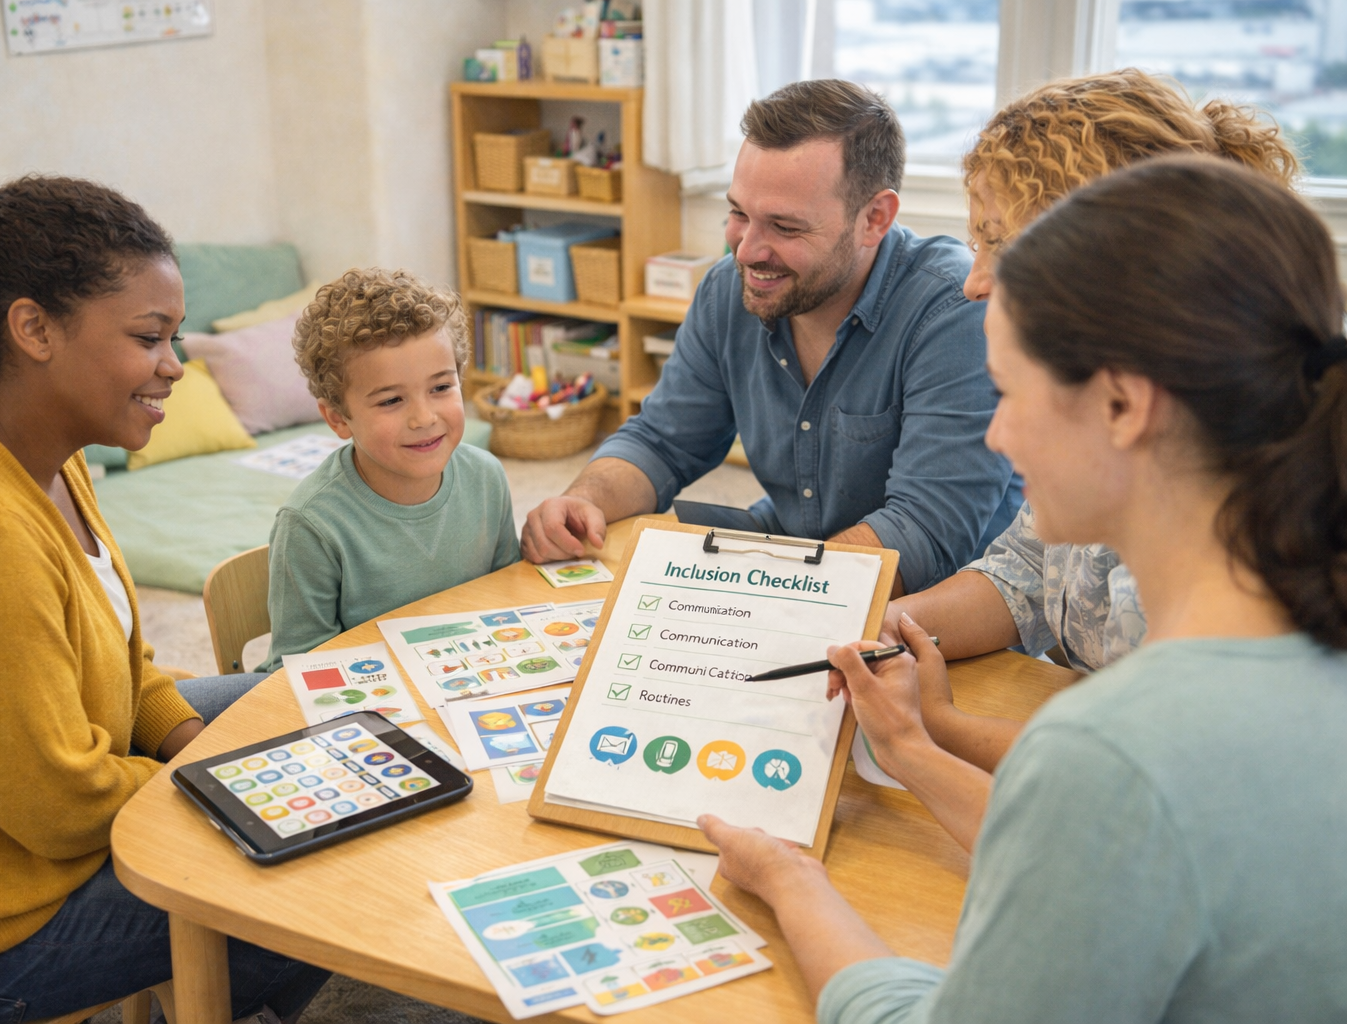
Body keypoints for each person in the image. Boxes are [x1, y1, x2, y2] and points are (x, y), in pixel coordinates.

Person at [703, 156, 1347, 1022]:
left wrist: (791, 882)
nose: (998, 437)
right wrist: (926, 743)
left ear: (1122, 406)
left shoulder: (1112, 751)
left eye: (1010, 392)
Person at [0, 170, 326, 1024]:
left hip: (25, 818)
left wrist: (191, 739)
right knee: (307, 881)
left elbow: (122, 661)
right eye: (149, 337)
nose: (174, 368)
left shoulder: (42, 449)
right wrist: (223, 783)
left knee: (302, 704)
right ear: (34, 328)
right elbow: (57, 806)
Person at [883, 69, 1301, 778]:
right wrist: (889, 629)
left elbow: (1144, 769)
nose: (973, 281)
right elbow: (1025, 572)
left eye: (998, 243)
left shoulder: (1218, 503)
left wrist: (936, 732)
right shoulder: (1102, 414)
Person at [521, 79, 1019, 596]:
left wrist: (771, 598)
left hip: (939, 603)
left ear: (875, 218)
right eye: (739, 214)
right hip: (801, 560)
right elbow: (662, 440)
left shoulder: (955, 308)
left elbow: (924, 531)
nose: (746, 250)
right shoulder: (727, 289)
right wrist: (585, 501)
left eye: (784, 226)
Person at [258, 268, 519, 673]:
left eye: (440, 388)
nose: (424, 417)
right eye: (391, 400)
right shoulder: (310, 526)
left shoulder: (486, 477)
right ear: (339, 419)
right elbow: (295, 671)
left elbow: (509, 597)